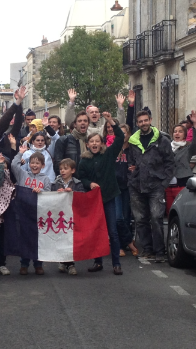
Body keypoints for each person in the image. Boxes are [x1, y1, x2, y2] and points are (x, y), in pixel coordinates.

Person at [78, 113, 124, 275]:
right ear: (87, 144)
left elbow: (120, 137)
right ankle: (98, 262)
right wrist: (89, 184)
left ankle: (116, 263)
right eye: (92, 142)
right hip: (93, 201)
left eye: (97, 141)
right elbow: (80, 177)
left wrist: (110, 121)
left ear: (102, 143)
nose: (95, 144)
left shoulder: (109, 154)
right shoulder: (84, 161)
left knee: (112, 231)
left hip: (109, 197)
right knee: (97, 231)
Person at [128, 109, 175, 263]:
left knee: (156, 218)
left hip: (156, 185)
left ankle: (160, 251)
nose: (143, 124)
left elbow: (170, 162)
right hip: (137, 185)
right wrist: (132, 171)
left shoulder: (162, 140)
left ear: (150, 120)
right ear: (137, 123)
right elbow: (131, 161)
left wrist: (164, 183)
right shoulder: (133, 141)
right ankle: (147, 249)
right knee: (140, 219)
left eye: (145, 120)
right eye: (140, 121)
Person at [11, 146, 53, 274]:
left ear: (43, 165)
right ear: (29, 164)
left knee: (36, 239)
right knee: (24, 238)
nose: (34, 165)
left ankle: (38, 264)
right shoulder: (23, 175)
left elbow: (49, 194)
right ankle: (24, 264)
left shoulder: (45, 179)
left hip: (38, 213)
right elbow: (13, 164)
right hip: (23, 212)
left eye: (37, 163)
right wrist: (20, 153)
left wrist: (42, 191)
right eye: (32, 163)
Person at [114, 124, 137, 257]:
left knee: (127, 217)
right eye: (120, 133)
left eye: (125, 133)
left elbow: (139, 163)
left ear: (129, 134)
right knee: (118, 217)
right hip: (115, 187)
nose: (123, 136)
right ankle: (125, 243)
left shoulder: (132, 150)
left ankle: (124, 244)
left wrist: (136, 168)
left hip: (129, 185)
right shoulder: (113, 149)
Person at [53, 111, 90, 175]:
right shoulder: (64, 140)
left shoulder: (90, 141)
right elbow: (58, 163)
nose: (83, 123)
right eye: (80, 121)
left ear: (88, 124)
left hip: (86, 179)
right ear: (75, 124)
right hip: (70, 180)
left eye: (85, 121)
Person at [171, 111, 196, 187]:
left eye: (180, 132)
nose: (177, 133)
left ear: (185, 135)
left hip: (184, 179)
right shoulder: (167, 146)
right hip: (170, 181)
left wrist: (195, 124)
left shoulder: (188, 147)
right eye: (175, 132)